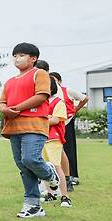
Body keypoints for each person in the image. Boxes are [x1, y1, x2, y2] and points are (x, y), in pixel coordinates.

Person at [0, 43, 60, 218]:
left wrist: (16, 108)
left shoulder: (39, 74)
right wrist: (4, 109)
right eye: (15, 55)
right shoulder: (10, 81)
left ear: (33, 59)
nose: (17, 58)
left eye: (22, 55)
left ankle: (49, 174)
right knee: (23, 166)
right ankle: (33, 205)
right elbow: (2, 102)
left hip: (34, 125)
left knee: (30, 159)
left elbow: (41, 96)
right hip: (14, 128)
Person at [50, 72, 88, 186]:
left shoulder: (67, 91)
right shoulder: (49, 94)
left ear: (60, 81)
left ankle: (72, 176)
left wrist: (75, 109)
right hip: (54, 125)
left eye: (55, 81)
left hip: (67, 122)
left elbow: (85, 98)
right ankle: (55, 176)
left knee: (69, 149)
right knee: (54, 150)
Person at [42, 76, 72, 207]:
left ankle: (65, 196)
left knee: (56, 166)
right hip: (41, 137)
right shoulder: (42, 101)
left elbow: (55, 120)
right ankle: (51, 193)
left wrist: (40, 120)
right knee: (45, 166)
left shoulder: (59, 102)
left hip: (54, 138)